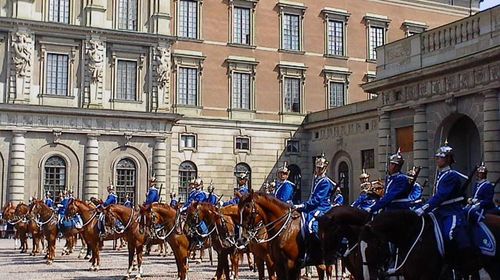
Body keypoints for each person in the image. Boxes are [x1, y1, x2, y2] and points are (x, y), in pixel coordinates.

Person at [413, 143, 476, 264]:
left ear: (448, 159)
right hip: (440, 211)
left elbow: (441, 195)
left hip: (451, 211)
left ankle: (456, 262)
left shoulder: (451, 176)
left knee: (450, 234)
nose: (437, 159)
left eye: (440, 157)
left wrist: (424, 208)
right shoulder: (441, 175)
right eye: (437, 157)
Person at [293, 154, 335, 265]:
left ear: (325, 168)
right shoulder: (316, 180)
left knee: (310, 225)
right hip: (313, 206)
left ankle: (314, 253)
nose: (318, 170)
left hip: (322, 207)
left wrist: (303, 206)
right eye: (317, 167)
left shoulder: (325, 182)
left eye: (320, 168)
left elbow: (317, 200)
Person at [366, 149, 412, 213]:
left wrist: (374, 207)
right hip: (390, 207)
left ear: (394, 166)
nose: (389, 166)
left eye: (390, 164)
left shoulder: (401, 178)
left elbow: (390, 196)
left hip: (398, 208)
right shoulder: (391, 178)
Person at [181, 178, 208, 249]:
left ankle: (202, 237)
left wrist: (186, 208)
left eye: (197, 185)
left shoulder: (202, 194)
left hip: (199, 211)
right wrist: (183, 207)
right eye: (195, 184)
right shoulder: (194, 193)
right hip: (191, 210)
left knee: (198, 222)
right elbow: (189, 202)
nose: (196, 186)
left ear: (201, 185)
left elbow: (196, 203)